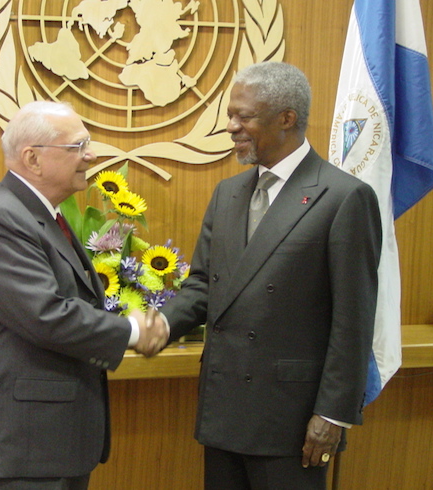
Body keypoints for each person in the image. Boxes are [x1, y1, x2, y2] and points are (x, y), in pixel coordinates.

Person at [157, 62, 383, 489]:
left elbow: (353, 320)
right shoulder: (228, 194)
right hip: (224, 410)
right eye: (230, 115)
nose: (231, 127)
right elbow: (204, 286)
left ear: (286, 118)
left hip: (292, 420)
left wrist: (332, 414)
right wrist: (154, 326)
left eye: (244, 116)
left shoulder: (344, 198)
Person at [0, 100, 168, 490]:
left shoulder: (42, 213)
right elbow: (45, 314)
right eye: (77, 146)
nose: (92, 154)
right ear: (32, 159)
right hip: (20, 448)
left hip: (49, 442)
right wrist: (133, 332)